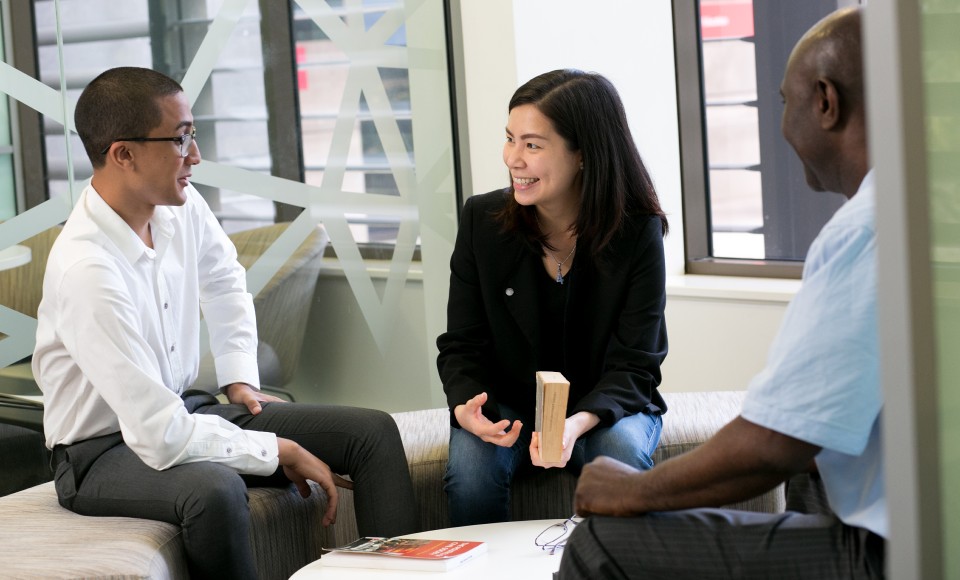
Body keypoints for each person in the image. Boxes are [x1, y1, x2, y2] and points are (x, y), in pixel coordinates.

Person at [33, 67, 418, 580]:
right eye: (181, 138)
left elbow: (223, 277)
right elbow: (160, 437)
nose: (195, 156)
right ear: (123, 154)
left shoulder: (179, 205)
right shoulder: (88, 271)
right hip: (99, 453)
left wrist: (239, 375)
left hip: (182, 409)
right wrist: (274, 449)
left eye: (192, 135)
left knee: (371, 432)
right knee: (213, 489)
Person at [558, 7, 883, 579]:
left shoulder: (867, 230)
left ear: (826, 101)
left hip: (897, 552)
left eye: (785, 102)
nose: (780, 127)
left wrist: (634, 490)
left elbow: (773, 444)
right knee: (814, 476)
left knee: (600, 543)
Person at [436, 69, 669, 526]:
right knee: (471, 470)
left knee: (619, 452)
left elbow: (636, 364)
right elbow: (462, 344)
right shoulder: (481, 219)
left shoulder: (637, 231)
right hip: (510, 403)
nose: (513, 159)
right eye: (510, 139)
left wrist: (575, 423)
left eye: (532, 145)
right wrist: (466, 405)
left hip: (605, 408)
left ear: (582, 154)